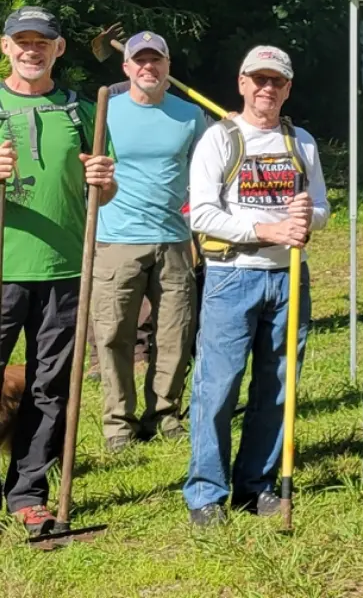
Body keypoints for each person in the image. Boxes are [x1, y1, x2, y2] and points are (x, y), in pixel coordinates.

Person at [184, 45, 322, 527]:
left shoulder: (301, 141)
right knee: (217, 387)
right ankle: (205, 493)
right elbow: (201, 214)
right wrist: (266, 230)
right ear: (242, 83)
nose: (267, 89)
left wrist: (307, 219)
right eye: (258, 79)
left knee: (278, 388)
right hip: (231, 276)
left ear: (288, 88)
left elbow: (320, 209)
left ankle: (257, 485)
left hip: (289, 278)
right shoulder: (219, 140)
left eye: (277, 81)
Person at [0, 6, 117, 536]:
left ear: (59, 49)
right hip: (2, 268)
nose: (31, 49)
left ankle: (28, 494)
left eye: (41, 42)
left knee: (50, 387)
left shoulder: (80, 109)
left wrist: (102, 178)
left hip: (66, 269)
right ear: (5, 48)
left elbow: (106, 189)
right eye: (21, 41)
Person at [94, 30, 206, 452]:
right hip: (114, 240)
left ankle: (164, 413)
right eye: (139, 60)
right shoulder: (103, 111)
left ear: (167, 67)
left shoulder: (190, 115)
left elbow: (206, 174)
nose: (147, 67)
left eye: (155, 60)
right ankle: (117, 423)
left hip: (175, 240)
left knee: (175, 332)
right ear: (127, 68)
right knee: (113, 335)